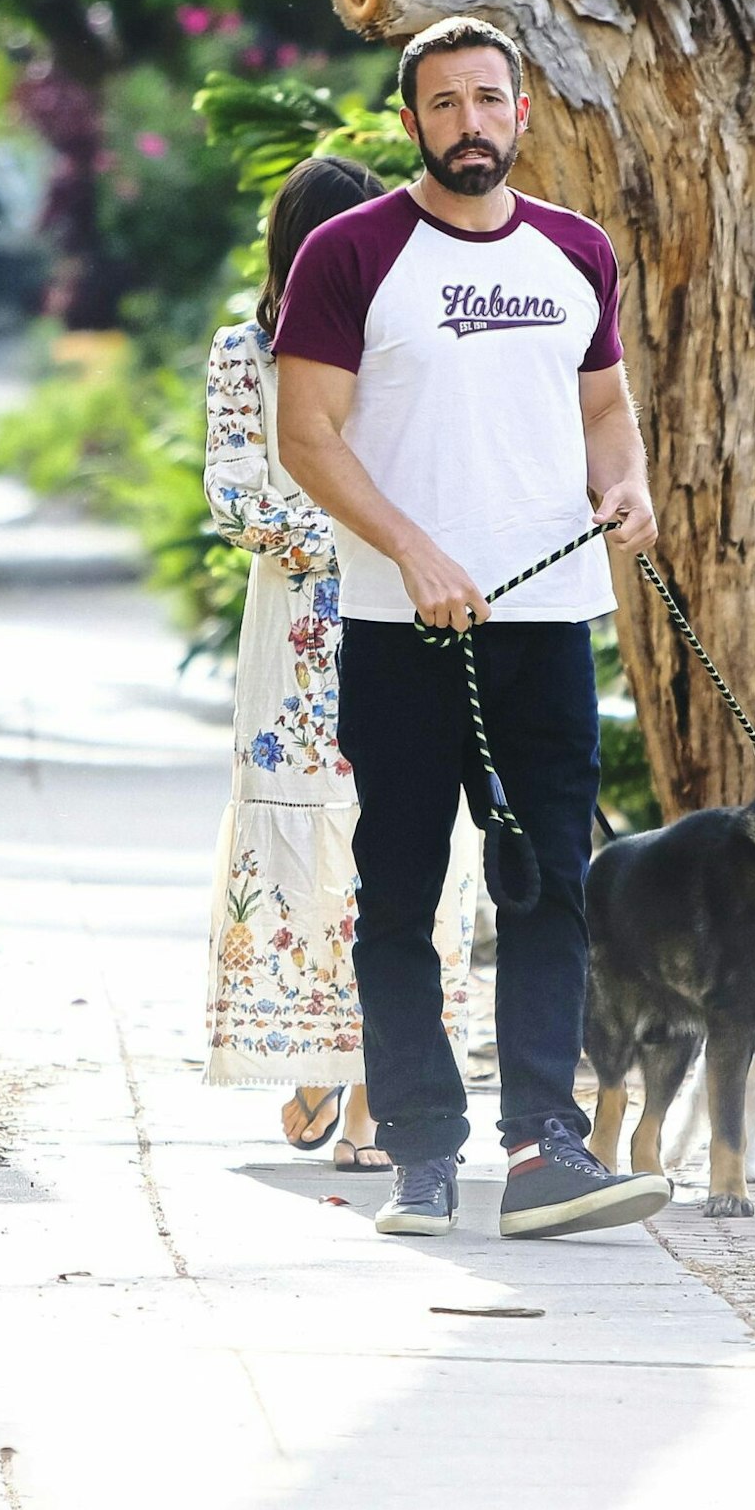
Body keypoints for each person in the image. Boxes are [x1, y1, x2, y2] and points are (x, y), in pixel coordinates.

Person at [275, 16, 672, 1239]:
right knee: (401, 888)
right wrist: (412, 549)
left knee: (552, 884)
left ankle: (547, 1145)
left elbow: (606, 404)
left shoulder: (575, 251)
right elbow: (306, 435)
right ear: (411, 123)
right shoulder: (350, 254)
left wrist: (628, 481)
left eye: (488, 100)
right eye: (443, 104)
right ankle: (421, 1153)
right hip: (406, 628)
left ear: (523, 113)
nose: (470, 124)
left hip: (546, 622)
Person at [204, 155, 478, 1168]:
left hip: (407, 628)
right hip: (297, 652)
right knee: (303, 858)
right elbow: (235, 494)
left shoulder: (410, 355)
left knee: (406, 851)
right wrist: (358, 536)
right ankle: (317, 1053)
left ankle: (373, 1094)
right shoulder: (249, 353)